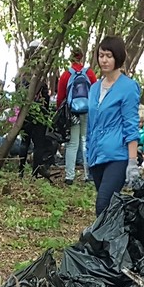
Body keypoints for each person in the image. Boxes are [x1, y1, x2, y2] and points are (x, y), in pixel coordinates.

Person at [85, 35, 141, 216]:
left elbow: (130, 125)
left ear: (117, 57)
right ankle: (116, 240)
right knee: (108, 210)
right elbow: (91, 123)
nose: (104, 60)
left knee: (103, 205)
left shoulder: (128, 87)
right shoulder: (94, 88)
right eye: (101, 55)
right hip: (96, 155)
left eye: (108, 55)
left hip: (117, 155)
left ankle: (104, 243)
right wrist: (87, 153)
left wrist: (132, 163)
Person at [57, 48, 96, 185]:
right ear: (82, 58)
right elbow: (95, 92)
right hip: (87, 111)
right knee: (86, 141)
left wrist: (60, 112)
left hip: (72, 112)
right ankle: (88, 175)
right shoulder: (89, 74)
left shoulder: (66, 75)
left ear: (71, 58)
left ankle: (69, 177)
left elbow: (61, 97)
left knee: (72, 143)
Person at [17, 42, 55, 179]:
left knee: (24, 142)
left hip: (25, 113)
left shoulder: (22, 72)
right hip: (39, 113)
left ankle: (20, 172)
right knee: (38, 145)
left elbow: (18, 93)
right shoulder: (41, 73)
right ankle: (34, 175)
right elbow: (46, 95)